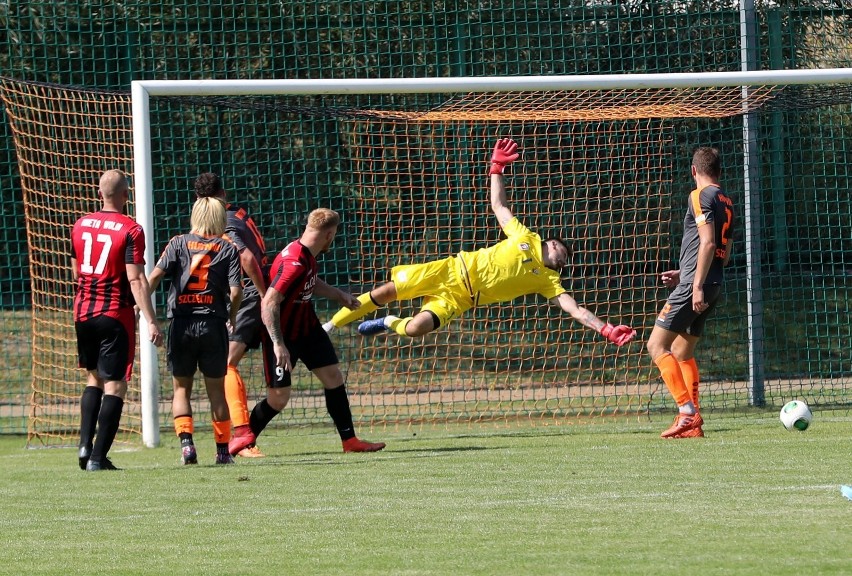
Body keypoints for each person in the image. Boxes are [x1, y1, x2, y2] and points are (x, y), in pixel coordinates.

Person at [323, 138, 636, 351]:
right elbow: (500, 207)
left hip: (461, 299)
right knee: (384, 292)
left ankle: (388, 322)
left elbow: (577, 310)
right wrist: (496, 169)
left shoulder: (548, 281)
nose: (561, 256)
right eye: (561, 250)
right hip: (448, 271)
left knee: (416, 328)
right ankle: (332, 325)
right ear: (549, 243)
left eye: (564, 259)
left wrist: (605, 328)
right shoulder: (525, 237)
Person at [253, 208, 386, 453]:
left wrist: (339, 295)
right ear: (329, 234)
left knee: (333, 377)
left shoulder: (306, 254)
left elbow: (310, 281)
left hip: (308, 330)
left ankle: (350, 441)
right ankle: (245, 439)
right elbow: (269, 301)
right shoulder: (293, 262)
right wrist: (277, 344)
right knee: (279, 398)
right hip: (284, 335)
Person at [71, 169, 164, 472]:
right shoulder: (131, 229)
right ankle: (98, 458)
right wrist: (150, 319)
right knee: (116, 384)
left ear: (100, 194)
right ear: (126, 195)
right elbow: (136, 280)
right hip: (114, 313)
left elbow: (75, 272)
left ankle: (85, 446)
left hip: (83, 311)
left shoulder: (80, 224)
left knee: (93, 377)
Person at [147, 196, 244, 464]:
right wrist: (232, 316)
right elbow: (236, 290)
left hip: (181, 324)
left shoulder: (178, 242)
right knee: (216, 392)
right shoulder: (228, 248)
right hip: (213, 324)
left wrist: (143, 309)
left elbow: (154, 277)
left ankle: (187, 446)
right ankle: (223, 452)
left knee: (181, 390)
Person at [646, 147, 734, 439]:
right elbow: (725, 251)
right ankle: (693, 421)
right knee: (683, 351)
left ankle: (686, 412)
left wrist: (693, 285)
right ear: (718, 172)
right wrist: (688, 273)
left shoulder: (699, 196)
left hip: (697, 286)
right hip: (715, 283)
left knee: (656, 346)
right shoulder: (726, 201)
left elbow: (708, 243)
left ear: (694, 171)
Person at [194, 172, 269, 458]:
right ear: (223, 192)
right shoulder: (237, 213)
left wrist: (264, 297)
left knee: (227, 364)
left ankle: (244, 438)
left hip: (250, 294)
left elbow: (246, 258)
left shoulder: (223, 222)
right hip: (250, 294)